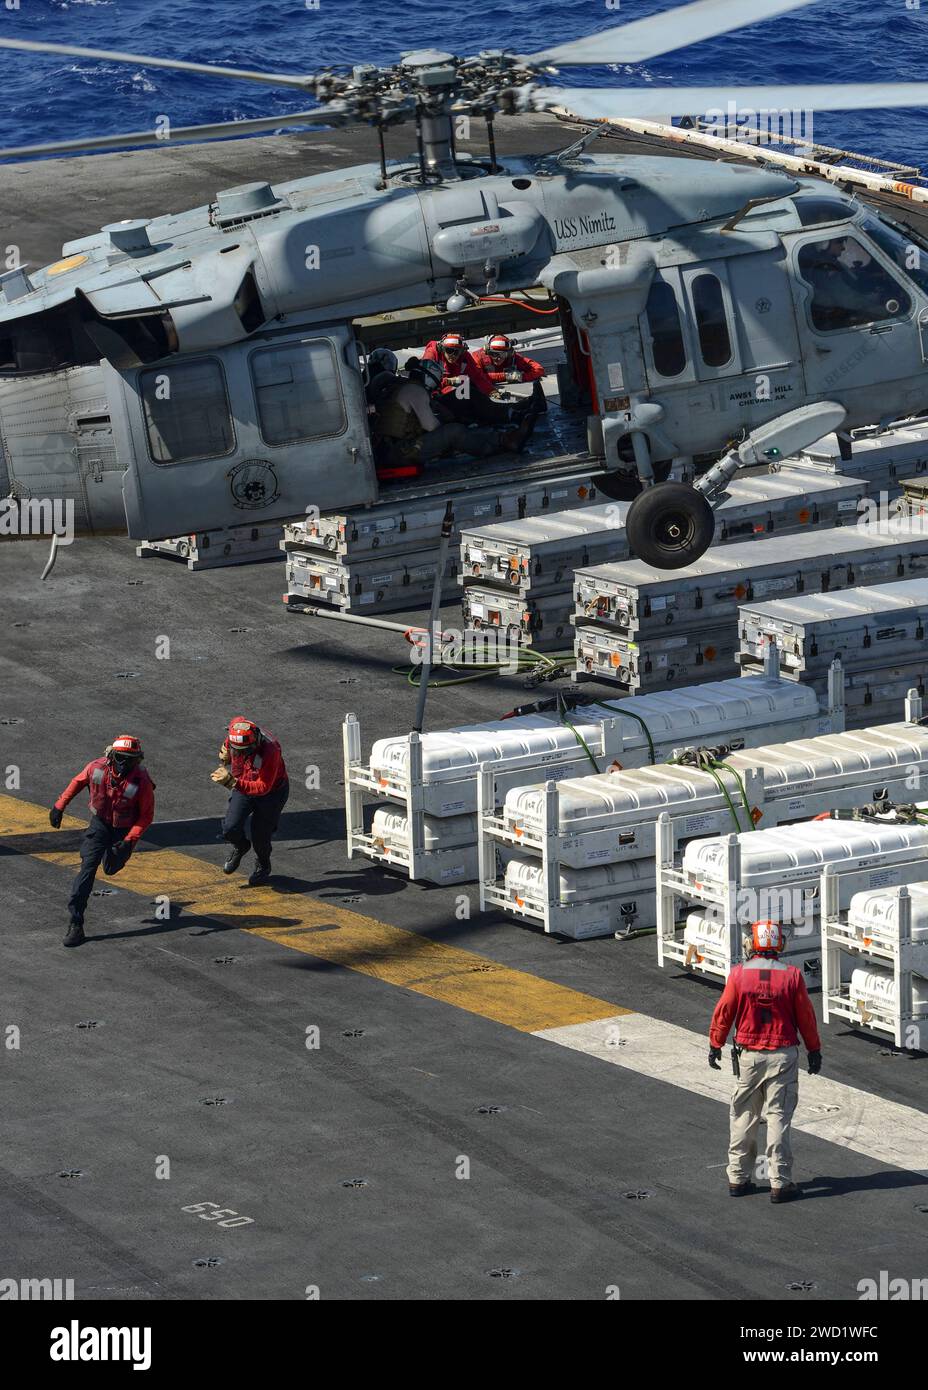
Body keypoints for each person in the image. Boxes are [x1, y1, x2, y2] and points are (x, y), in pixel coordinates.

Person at [708, 920, 822, 1204]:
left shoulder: (738, 975)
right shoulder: (793, 976)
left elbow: (724, 1012)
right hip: (783, 1056)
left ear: (753, 944)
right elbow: (806, 1018)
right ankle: (780, 1182)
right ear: (778, 944)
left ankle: (738, 1177)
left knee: (744, 1116)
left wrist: (715, 1044)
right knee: (778, 1117)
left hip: (749, 1057)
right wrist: (814, 1049)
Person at [50, 734, 155, 948]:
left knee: (110, 869)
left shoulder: (141, 780)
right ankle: (76, 922)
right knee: (87, 870)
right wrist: (59, 806)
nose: (124, 763)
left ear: (138, 760)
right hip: (100, 826)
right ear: (112, 755)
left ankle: (117, 854)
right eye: (120, 757)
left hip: (124, 831)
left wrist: (129, 840)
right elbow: (77, 782)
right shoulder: (96, 767)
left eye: (130, 759)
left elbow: (146, 815)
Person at [374, 357, 537, 470]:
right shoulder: (416, 391)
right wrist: (461, 427)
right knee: (454, 432)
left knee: (459, 419)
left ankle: (512, 415)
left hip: (393, 448)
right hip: (400, 452)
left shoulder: (405, 387)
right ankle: (503, 441)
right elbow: (432, 427)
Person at [212, 717, 289, 886]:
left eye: (243, 752)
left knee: (260, 837)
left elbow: (263, 787)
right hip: (244, 785)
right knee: (230, 828)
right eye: (236, 750)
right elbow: (235, 724)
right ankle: (240, 846)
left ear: (255, 744)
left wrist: (232, 782)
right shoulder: (240, 731)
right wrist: (225, 747)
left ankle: (263, 863)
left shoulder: (271, 751)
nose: (239, 755)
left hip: (271, 793)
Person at [422, 332, 523, 428]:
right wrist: (448, 381)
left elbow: (477, 377)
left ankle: (511, 409)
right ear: (442, 349)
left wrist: (491, 391)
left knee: (472, 390)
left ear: (462, 351)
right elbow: (424, 379)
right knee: (470, 393)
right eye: (449, 350)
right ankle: (508, 414)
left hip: (453, 394)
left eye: (457, 352)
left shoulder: (465, 357)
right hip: (434, 400)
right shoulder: (432, 354)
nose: (453, 355)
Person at [472, 334, 548, 413]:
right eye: (493, 354)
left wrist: (521, 377)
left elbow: (539, 369)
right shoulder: (477, 357)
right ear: (487, 351)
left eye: (502, 354)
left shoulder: (514, 358)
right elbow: (476, 377)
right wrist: (506, 376)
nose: (498, 358)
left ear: (509, 353)